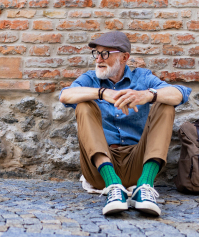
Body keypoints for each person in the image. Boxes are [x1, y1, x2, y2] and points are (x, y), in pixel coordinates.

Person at [59, 31, 191, 216]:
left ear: (124, 57)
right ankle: (113, 186)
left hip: (137, 163)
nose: (98, 59)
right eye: (96, 53)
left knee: (166, 105)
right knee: (83, 105)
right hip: (100, 169)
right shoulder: (91, 79)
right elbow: (65, 96)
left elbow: (181, 93)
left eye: (105, 54)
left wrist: (147, 95)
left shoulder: (142, 78)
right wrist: (102, 93)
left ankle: (144, 186)